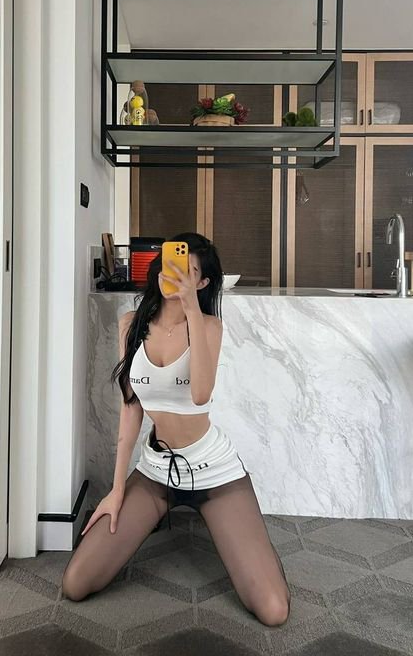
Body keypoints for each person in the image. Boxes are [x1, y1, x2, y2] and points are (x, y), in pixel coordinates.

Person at [62, 232, 290, 627]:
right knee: (76, 583)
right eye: (172, 265)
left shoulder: (210, 327)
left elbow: (200, 394)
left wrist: (191, 309)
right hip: (156, 472)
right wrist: (116, 491)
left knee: (273, 610)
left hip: (214, 472)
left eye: (189, 272)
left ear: (203, 283)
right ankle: (151, 514)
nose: (176, 275)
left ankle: (256, 547)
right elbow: (130, 410)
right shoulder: (130, 325)